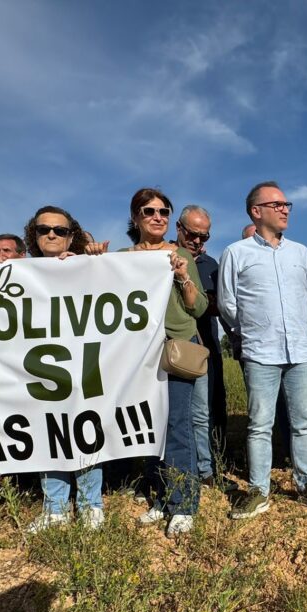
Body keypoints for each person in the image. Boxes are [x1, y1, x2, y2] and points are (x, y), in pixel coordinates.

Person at [219, 181, 307, 518]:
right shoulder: (236, 254)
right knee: (259, 424)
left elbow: (306, 298)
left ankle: (306, 484)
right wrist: (253, 334)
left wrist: (298, 331)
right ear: (256, 212)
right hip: (261, 353)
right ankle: (259, 491)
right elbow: (229, 305)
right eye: (277, 204)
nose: (286, 209)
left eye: (287, 204)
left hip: (301, 351)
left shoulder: (300, 253)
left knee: (304, 423)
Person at [108, 189, 208, 538]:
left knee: (178, 424)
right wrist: (90, 259)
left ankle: (184, 505)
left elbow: (198, 308)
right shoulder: (122, 258)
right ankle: (163, 498)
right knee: (149, 427)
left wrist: (182, 276)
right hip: (138, 352)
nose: (158, 217)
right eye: (149, 211)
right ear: (135, 217)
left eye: (164, 211)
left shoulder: (180, 254)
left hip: (176, 347)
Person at [19, 206, 102, 534]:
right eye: (43, 229)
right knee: (48, 435)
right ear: (33, 235)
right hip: (41, 373)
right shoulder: (19, 273)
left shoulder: (84, 268)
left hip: (84, 367)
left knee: (87, 431)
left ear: (72, 236)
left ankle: (90, 504)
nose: (51, 235)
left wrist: (91, 261)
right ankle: (54, 508)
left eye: (60, 230)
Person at [174, 204, 232, 489]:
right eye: (193, 234)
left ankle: (215, 464)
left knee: (210, 409)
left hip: (208, 347)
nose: (198, 241)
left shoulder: (212, 265)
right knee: (176, 412)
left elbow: (219, 305)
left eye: (204, 237)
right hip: (172, 348)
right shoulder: (162, 258)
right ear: (179, 229)